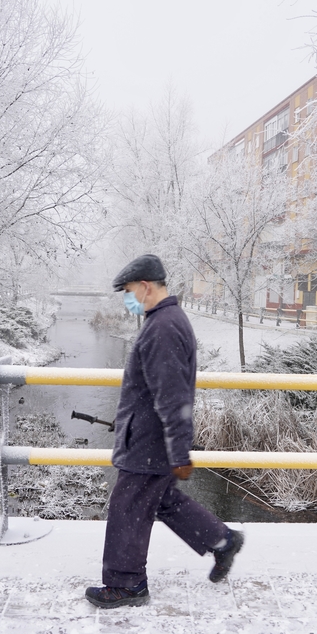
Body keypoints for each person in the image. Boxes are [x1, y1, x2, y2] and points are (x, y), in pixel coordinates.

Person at [85, 254, 243, 609]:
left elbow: (172, 397)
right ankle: (222, 541)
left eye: (127, 291)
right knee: (162, 500)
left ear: (145, 286)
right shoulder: (163, 321)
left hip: (148, 444)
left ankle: (126, 584)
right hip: (149, 440)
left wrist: (178, 450)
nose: (127, 299)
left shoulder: (162, 328)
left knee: (127, 508)